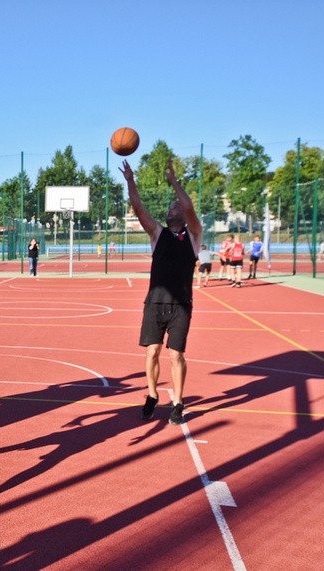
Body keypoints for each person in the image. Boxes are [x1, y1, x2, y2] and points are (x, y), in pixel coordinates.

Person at [120, 159, 202, 426]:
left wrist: (174, 182)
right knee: (152, 351)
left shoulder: (194, 235)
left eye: (174, 206)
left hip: (181, 304)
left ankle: (178, 402)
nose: (171, 208)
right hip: (155, 303)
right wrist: (131, 181)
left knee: (176, 354)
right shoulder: (157, 234)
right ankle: (153, 395)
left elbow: (189, 207)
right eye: (169, 207)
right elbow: (138, 208)